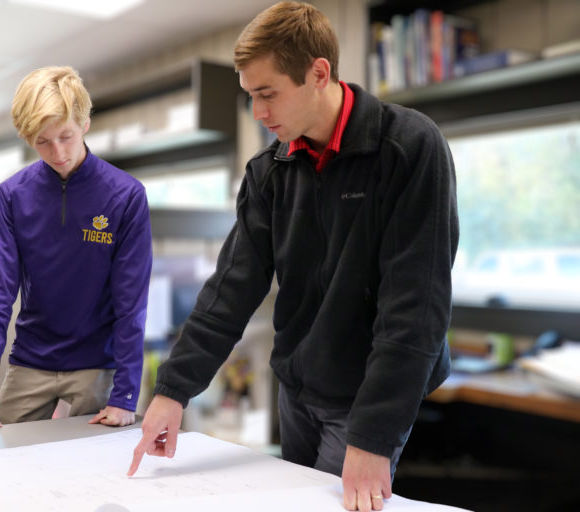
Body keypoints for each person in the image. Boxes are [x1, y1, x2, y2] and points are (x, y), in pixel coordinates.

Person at [128, 3, 458, 512]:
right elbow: (231, 288)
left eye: (267, 94)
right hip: (298, 391)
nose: (258, 113)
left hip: (364, 397)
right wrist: (173, 391)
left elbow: (417, 306)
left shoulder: (409, 149)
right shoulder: (269, 171)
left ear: (318, 73)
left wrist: (373, 436)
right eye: (250, 97)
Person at [0, 66, 152, 434]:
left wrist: (126, 395)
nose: (58, 152)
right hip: (29, 361)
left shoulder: (126, 196)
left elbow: (131, 303)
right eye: (43, 142)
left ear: (84, 124)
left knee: (90, 475)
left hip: (97, 365)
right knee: (5, 468)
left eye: (65, 136)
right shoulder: (13, 195)